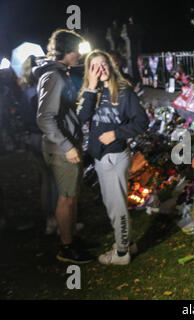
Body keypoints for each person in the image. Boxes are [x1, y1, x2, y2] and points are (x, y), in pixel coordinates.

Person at [77, 50, 149, 265]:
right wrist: (90, 86)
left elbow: (141, 122)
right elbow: (82, 117)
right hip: (100, 157)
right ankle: (129, 243)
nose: (101, 70)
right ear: (90, 70)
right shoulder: (94, 92)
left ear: (111, 65)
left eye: (104, 64)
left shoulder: (124, 92)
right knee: (112, 205)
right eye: (95, 66)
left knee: (116, 207)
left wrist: (117, 133)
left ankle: (121, 253)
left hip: (115, 156)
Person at [34, 29, 93, 264]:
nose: (79, 55)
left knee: (71, 195)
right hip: (60, 149)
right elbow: (44, 117)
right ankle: (67, 247)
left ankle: (72, 239)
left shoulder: (59, 73)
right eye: (77, 50)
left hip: (63, 144)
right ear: (68, 51)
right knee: (66, 198)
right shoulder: (54, 76)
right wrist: (68, 145)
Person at [19, 55, 59, 234]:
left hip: (31, 137)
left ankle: (50, 220)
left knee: (45, 179)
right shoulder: (37, 91)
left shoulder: (24, 89)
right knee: (53, 178)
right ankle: (57, 219)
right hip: (42, 136)